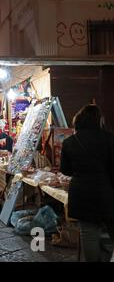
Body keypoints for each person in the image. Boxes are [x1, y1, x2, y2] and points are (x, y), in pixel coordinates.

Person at [60, 104, 114, 262]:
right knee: (110, 231)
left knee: (88, 233)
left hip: (81, 192)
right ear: (99, 120)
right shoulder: (110, 138)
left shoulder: (69, 142)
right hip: (106, 191)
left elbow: (66, 170)